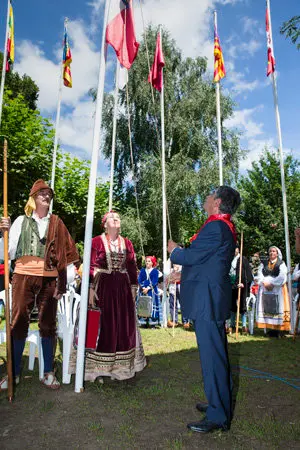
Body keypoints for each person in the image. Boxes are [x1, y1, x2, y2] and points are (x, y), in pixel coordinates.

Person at [168, 186, 241, 433]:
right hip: (212, 297)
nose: (206, 198)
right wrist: (183, 273)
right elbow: (206, 262)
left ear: (217, 202)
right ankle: (217, 404)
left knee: (213, 359)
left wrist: (174, 251)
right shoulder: (222, 226)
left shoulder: (215, 227)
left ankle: (218, 415)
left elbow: (190, 256)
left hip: (207, 301)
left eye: (209, 195)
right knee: (215, 356)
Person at [0, 179, 79, 390]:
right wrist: (3, 234)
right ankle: (13, 373)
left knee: (47, 325)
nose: (46, 196)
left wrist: (63, 283)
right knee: (17, 324)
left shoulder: (57, 223)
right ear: (34, 197)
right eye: (42, 193)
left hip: (49, 279)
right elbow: (5, 253)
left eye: (49, 194)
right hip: (23, 276)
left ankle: (47, 373)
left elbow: (67, 255)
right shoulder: (19, 221)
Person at [73, 211, 146, 381]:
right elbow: (90, 266)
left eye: (118, 218)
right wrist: (90, 288)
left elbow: (131, 265)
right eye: (112, 218)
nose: (116, 220)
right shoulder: (96, 242)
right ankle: (95, 369)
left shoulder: (127, 243)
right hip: (102, 287)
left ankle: (119, 368)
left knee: (122, 325)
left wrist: (134, 287)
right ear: (105, 224)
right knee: (99, 324)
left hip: (122, 289)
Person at [255, 246, 290, 337]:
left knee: (278, 308)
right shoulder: (264, 263)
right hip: (265, 288)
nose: (272, 253)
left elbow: (282, 276)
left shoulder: (281, 263)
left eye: (274, 251)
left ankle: (278, 329)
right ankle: (270, 328)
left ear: (277, 253)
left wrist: (272, 283)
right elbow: (259, 273)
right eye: (270, 251)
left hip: (277, 289)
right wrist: (264, 282)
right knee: (267, 307)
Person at [229, 252, 253, 334]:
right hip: (231, 285)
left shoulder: (243, 259)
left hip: (241, 285)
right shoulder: (228, 258)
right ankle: (231, 325)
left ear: (238, 249)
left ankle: (243, 326)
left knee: (242, 305)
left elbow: (248, 273)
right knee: (231, 305)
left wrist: (244, 283)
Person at [138, 255, 162, 326]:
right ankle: (144, 322)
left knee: (151, 305)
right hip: (142, 290)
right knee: (143, 305)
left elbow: (155, 281)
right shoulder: (142, 270)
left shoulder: (155, 271)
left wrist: (148, 288)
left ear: (152, 263)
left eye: (149, 261)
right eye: (146, 261)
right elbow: (139, 280)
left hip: (152, 291)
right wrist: (143, 288)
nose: (147, 262)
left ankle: (152, 323)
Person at [167, 263, 190, 329]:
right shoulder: (171, 270)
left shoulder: (183, 268)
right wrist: (173, 273)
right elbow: (169, 278)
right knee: (172, 304)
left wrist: (177, 275)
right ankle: (174, 320)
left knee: (183, 304)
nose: (175, 264)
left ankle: (185, 321)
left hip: (181, 287)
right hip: (173, 287)